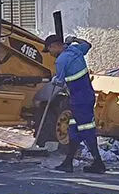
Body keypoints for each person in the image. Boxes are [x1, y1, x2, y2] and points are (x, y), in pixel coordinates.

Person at [45, 34, 107, 174]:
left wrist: (53, 80)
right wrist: (74, 40)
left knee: (86, 130)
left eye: (49, 49)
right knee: (74, 129)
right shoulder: (76, 50)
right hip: (86, 96)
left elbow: (60, 82)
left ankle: (98, 163)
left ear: (55, 46)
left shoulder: (61, 60)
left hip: (79, 100)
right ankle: (68, 163)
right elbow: (88, 45)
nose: (50, 53)